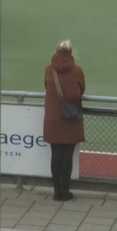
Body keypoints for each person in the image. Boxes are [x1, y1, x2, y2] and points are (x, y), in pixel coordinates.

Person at [43, 40, 86, 201]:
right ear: (70, 53)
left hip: (53, 117)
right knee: (67, 155)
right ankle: (65, 190)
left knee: (56, 154)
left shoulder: (49, 69)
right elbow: (81, 89)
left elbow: (46, 87)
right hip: (70, 118)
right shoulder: (77, 70)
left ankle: (56, 191)